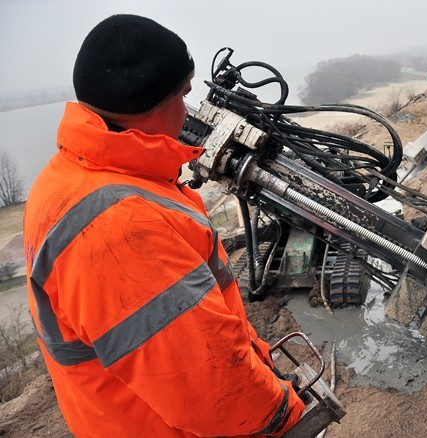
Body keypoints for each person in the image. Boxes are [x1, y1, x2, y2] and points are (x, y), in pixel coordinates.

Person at [23, 14, 304, 437]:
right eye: (183, 94)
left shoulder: (66, 178)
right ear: (151, 107)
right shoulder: (120, 228)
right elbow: (212, 392)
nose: (188, 110)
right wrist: (284, 413)